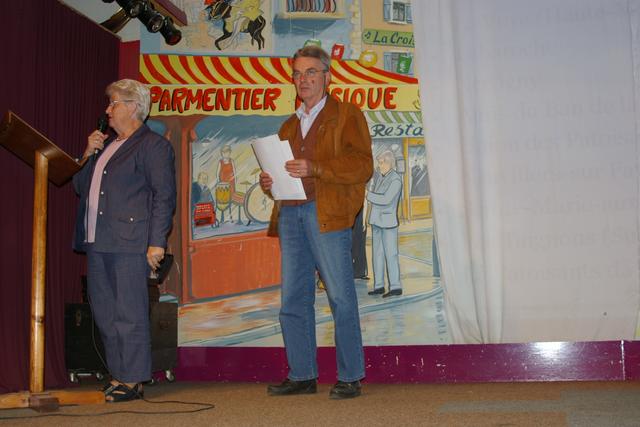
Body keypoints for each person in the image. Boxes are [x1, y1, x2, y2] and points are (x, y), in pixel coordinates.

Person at [259, 45, 373, 399]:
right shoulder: (289, 124)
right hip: (290, 213)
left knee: (340, 297)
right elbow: (281, 174)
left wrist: (316, 168)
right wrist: (269, 182)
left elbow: (363, 165)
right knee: (292, 299)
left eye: (310, 72)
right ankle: (302, 374)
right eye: (297, 73)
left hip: (329, 214)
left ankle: (350, 376)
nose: (303, 79)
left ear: (327, 76)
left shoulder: (347, 114)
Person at [72, 79, 176, 402]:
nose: (107, 109)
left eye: (113, 102)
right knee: (105, 313)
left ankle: (132, 380)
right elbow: (79, 186)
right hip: (98, 240)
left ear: (133, 107)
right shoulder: (106, 146)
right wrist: (87, 153)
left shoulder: (153, 146)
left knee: (129, 313)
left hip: (130, 241)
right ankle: (118, 374)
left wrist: (157, 242)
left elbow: (164, 196)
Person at [366, 150, 403, 297]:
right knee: (377, 255)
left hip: (388, 223)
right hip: (377, 221)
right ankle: (379, 286)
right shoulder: (381, 177)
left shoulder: (395, 179)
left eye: (382, 163)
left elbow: (386, 199)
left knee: (390, 255)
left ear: (390, 163)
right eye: (379, 162)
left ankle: (395, 287)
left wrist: (368, 195)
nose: (379, 165)